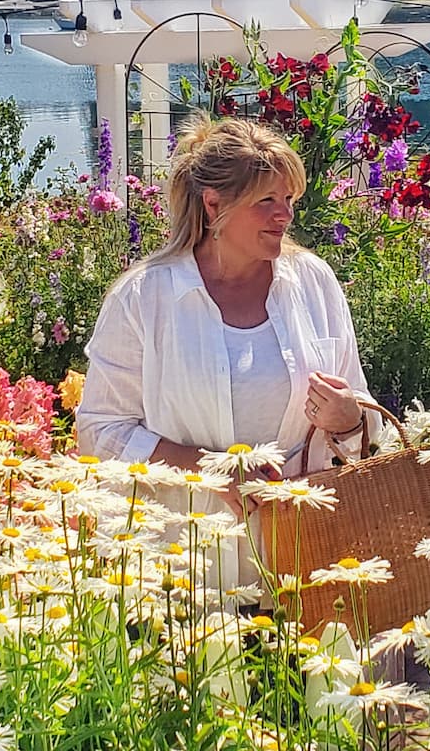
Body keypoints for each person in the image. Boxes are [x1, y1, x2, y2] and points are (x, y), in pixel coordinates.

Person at [77, 114, 376, 588]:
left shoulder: (313, 282)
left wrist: (350, 419)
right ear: (214, 205)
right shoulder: (144, 298)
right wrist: (213, 469)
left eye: (289, 200)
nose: (285, 215)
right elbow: (101, 432)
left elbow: (362, 412)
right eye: (266, 202)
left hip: (306, 557)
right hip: (186, 564)